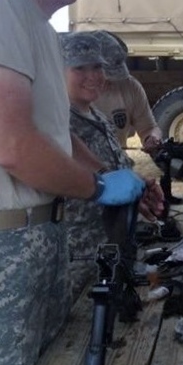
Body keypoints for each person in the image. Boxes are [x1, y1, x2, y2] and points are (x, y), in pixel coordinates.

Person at [0, 0, 145, 365]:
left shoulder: (39, 23)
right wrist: (96, 189)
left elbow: (53, 128)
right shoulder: (3, 7)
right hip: (7, 243)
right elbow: (14, 145)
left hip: (38, 237)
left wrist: (102, 174)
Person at [62, 32, 164, 299]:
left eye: (97, 66)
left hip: (110, 254)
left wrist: (139, 189)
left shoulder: (96, 116)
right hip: (77, 263)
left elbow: (113, 173)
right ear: (58, 72)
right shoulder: (57, 122)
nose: (93, 76)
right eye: (79, 68)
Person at [93, 30, 163, 155]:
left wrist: (151, 138)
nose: (109, 81)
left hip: (116, 167)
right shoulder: (66, 92)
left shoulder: (130, 86)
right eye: (105, 74)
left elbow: (149, 128)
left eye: (114, 75)